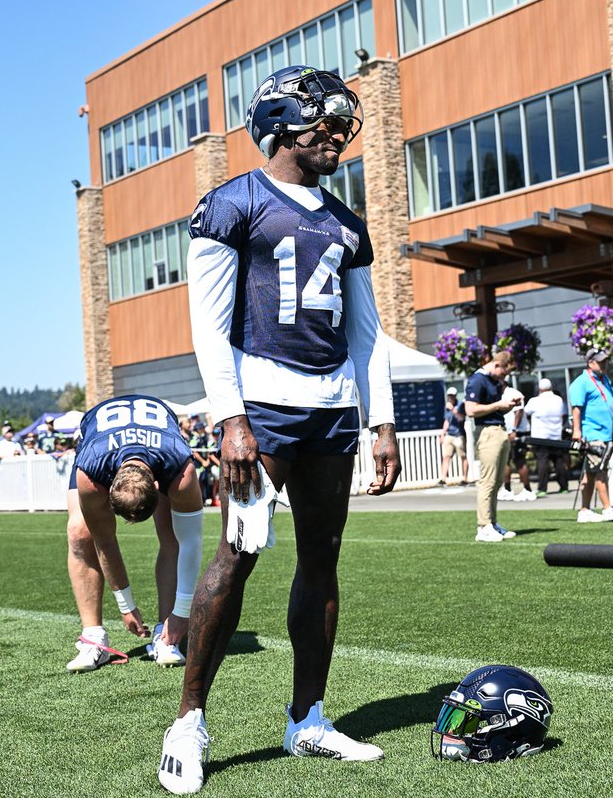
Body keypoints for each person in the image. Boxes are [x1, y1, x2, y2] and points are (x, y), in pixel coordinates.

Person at [157, 65, 399, 795]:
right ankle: (189, 722)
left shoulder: (346, 223)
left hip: (330, 413)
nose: (336, 137)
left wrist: (381, 418)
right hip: (260, 408)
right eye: (325, 122)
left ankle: (308, 716)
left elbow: (366, 333)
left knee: (322, 562)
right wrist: (230, 417)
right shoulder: (233, 203)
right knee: (238, 556)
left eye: (340, 125)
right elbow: (207, 325)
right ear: (284, 120)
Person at [65, 394, 204, 674]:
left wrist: (182, 614)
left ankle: (166, 632)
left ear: (157, 484)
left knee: (172, 534)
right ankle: (93, 637)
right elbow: (105, 541)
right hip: (100, 440)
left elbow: (191, 542)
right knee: (80, 534)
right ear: (108, 485)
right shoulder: (92, 473)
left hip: (159, 443)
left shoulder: (180, 470)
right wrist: (125, 606)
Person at [568, 351, 613, 523]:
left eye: (606, 361)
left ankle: (585, 510)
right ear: (590, 363)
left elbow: (611, 402)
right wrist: (577, 431)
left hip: (605, 432)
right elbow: (577, 409)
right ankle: (607, 508)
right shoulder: (581, 382)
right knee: (601, 469)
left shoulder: (604, 379)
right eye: (601, 362)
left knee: (591, 472)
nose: (605, 365)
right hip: (592, 432)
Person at [466, 350, 519, 541]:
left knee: (497, 482)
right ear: (497, 365)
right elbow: (470, 410)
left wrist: (507, 404)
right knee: (487, 482)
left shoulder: (493, 381)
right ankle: (483, 526)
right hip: (487, 432)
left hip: (499, 429)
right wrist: (498, 405)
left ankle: (492, 523)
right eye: (504, 373)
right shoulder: (478, 380)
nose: (504, 377)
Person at [524, 377, 568, 497]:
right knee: (558, 460)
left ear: (539, 388)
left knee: (542, 461)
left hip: (540, 435)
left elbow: (526, 412)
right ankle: (564, 486)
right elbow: (564, 415)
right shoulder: (558, 400)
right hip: (556, 435)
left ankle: (542, 488)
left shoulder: (534, 401)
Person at [500, 381, 535, 501]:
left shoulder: (514, 393)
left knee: (519, 460)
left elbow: (519, 412)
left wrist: (514, 429)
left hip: (517, 431)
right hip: (507, 431)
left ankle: (528, 489)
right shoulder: (500, 395)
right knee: (505, 460)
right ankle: (507, 488)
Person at [438, 387, 469, 486]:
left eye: (452, 396)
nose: (450, 398)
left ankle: (465, 478)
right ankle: (443, 479)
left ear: (455, 396)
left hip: (459, 434)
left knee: (463, 456)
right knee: (446, 456)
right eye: (449, 396)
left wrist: (453, 409)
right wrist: (443, 434)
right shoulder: (446, 406)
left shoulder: (460, 405)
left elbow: (461, 418)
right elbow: (447, 420)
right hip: (450, 434)